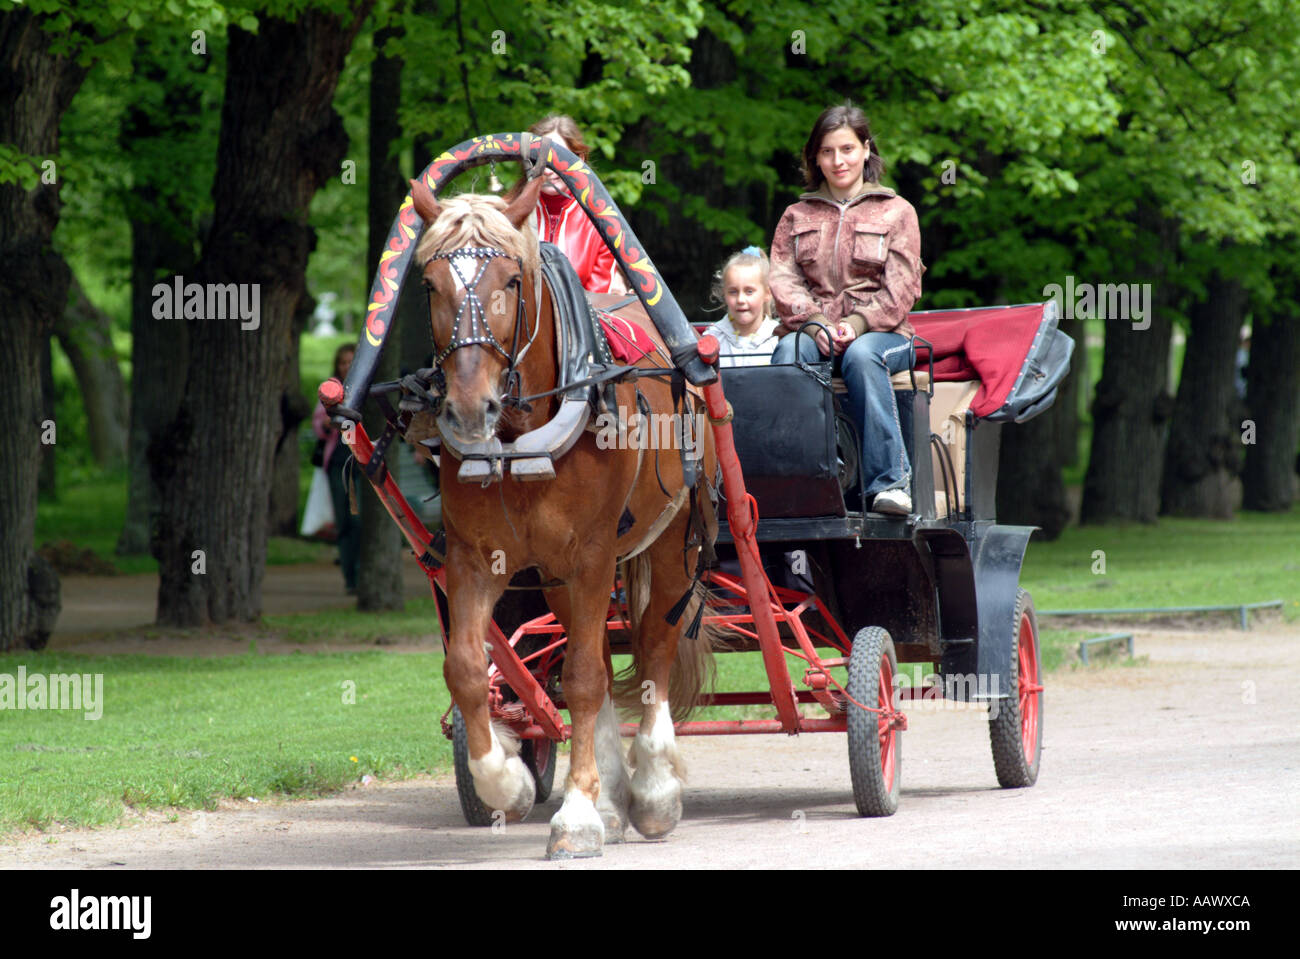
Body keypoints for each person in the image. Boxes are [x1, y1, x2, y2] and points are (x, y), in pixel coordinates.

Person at [768, 103, 925, 515]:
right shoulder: (795, 216)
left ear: (866, 150)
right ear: (815, 158)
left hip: (885, 337)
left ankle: (890, 483)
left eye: (847, 149)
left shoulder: (897, 211)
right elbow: (783, 280)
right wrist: (816, 323)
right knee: (788, 354)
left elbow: (903, 288)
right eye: (827, 152)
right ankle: (799, 481)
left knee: (860, 354)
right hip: (813, 332)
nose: (838, 161)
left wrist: (857, 324)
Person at [524, 114, 629, 295]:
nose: (548, 170)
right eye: (539, 158)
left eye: (556, 157)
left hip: (581, 320)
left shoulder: (601, 219)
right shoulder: (508, 215)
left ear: (579, 159)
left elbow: (598, 303)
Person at [312, 343, 361, 593]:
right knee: (344, 522)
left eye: (351, 361)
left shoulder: (364, 385)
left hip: (363, 461)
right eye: (342, 362)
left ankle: (365, 574)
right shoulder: (331, 389)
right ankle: (350, 578)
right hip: (338, 460)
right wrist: (330, 424)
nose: (346, 366)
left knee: (361, 520)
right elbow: (318, 422)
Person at [703, 245, 780, 367]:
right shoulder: (712, 338)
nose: (740, 300)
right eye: (733, 292)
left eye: (749, 291)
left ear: (767, 294)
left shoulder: (778, 339)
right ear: (724, 294)